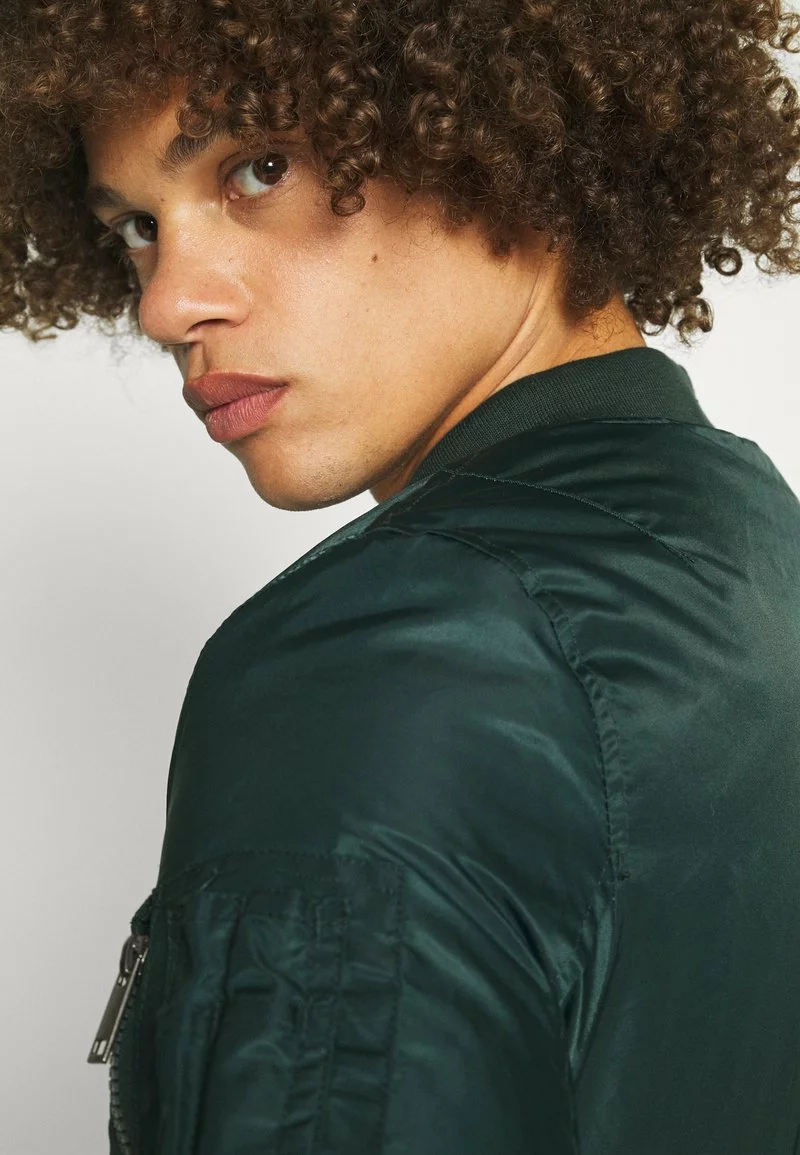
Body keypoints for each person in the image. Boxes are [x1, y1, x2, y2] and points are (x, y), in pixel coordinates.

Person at [2, 2, 800, 1152]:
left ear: (497, 133)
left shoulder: (386, 651)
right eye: (135, 225)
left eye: (258, 168)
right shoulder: (751, 540)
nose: (165, 303)